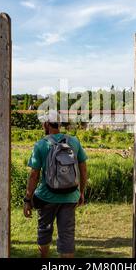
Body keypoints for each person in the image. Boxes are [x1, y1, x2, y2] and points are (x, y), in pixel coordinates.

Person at [24, 110, 88, 258]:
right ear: (58, 124)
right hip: (70, 196)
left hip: (47, 197)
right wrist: (81, 192)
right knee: (66, 236)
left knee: (44, 231)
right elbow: (83, 170)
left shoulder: (41, 144)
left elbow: (34, 175)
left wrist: (28, 199)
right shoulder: (73, 141)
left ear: (46, 124)